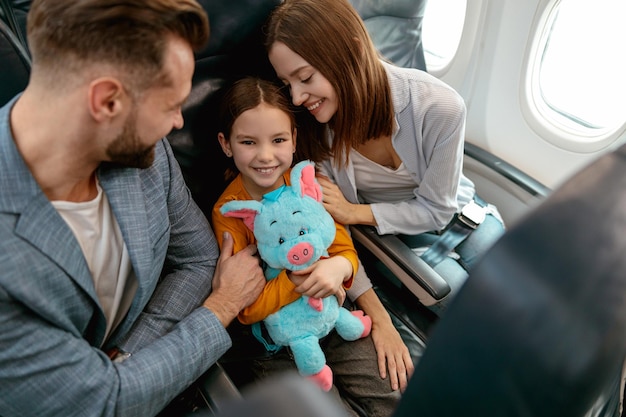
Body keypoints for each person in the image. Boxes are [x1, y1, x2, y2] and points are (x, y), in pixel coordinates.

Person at [0, 1, 266, 416]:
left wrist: (127, 357)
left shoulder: (141, 148)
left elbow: (198, 259)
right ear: (107, 102)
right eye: (170, 106)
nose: (178, 122)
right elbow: (104, 403)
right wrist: (221, 308)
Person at [264, 0, 505, 283]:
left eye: (305, 77)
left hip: (460, 212)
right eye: (287, 83)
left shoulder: (438, 106)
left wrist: (354, 211)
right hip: (396, 237)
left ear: (352, 51)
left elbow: (439, 209)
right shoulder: (311, 131)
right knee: (476, 306)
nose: (296, 98)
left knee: (524, 286)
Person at [211, 77, 402, 417]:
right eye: (248, 142)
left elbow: (345, 251)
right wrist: (295, 282)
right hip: (278, 342)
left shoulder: (309, 184)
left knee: (393, 398)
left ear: (294, 139)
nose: (266, 155)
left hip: (333, 317)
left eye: (278, 140)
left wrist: (338, 268)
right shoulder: (229, 213)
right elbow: (246, 307)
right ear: (226, 144)